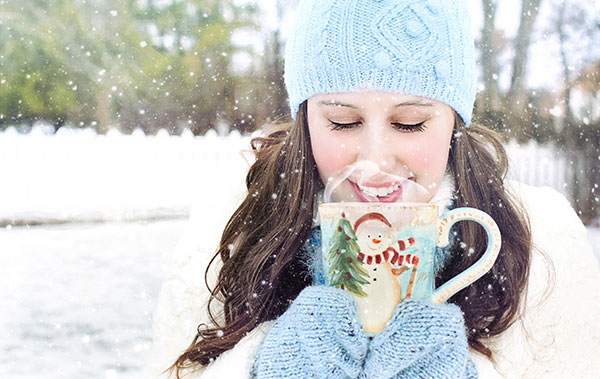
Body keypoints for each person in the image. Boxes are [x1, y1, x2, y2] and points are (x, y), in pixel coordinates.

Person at [148, 0, 600, 377]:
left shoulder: (541, 242)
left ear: (453, 123)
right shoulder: (236, 224)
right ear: (305, 120)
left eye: (410, 123)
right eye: (343, 121)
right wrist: (258, 364)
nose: (376, 162)